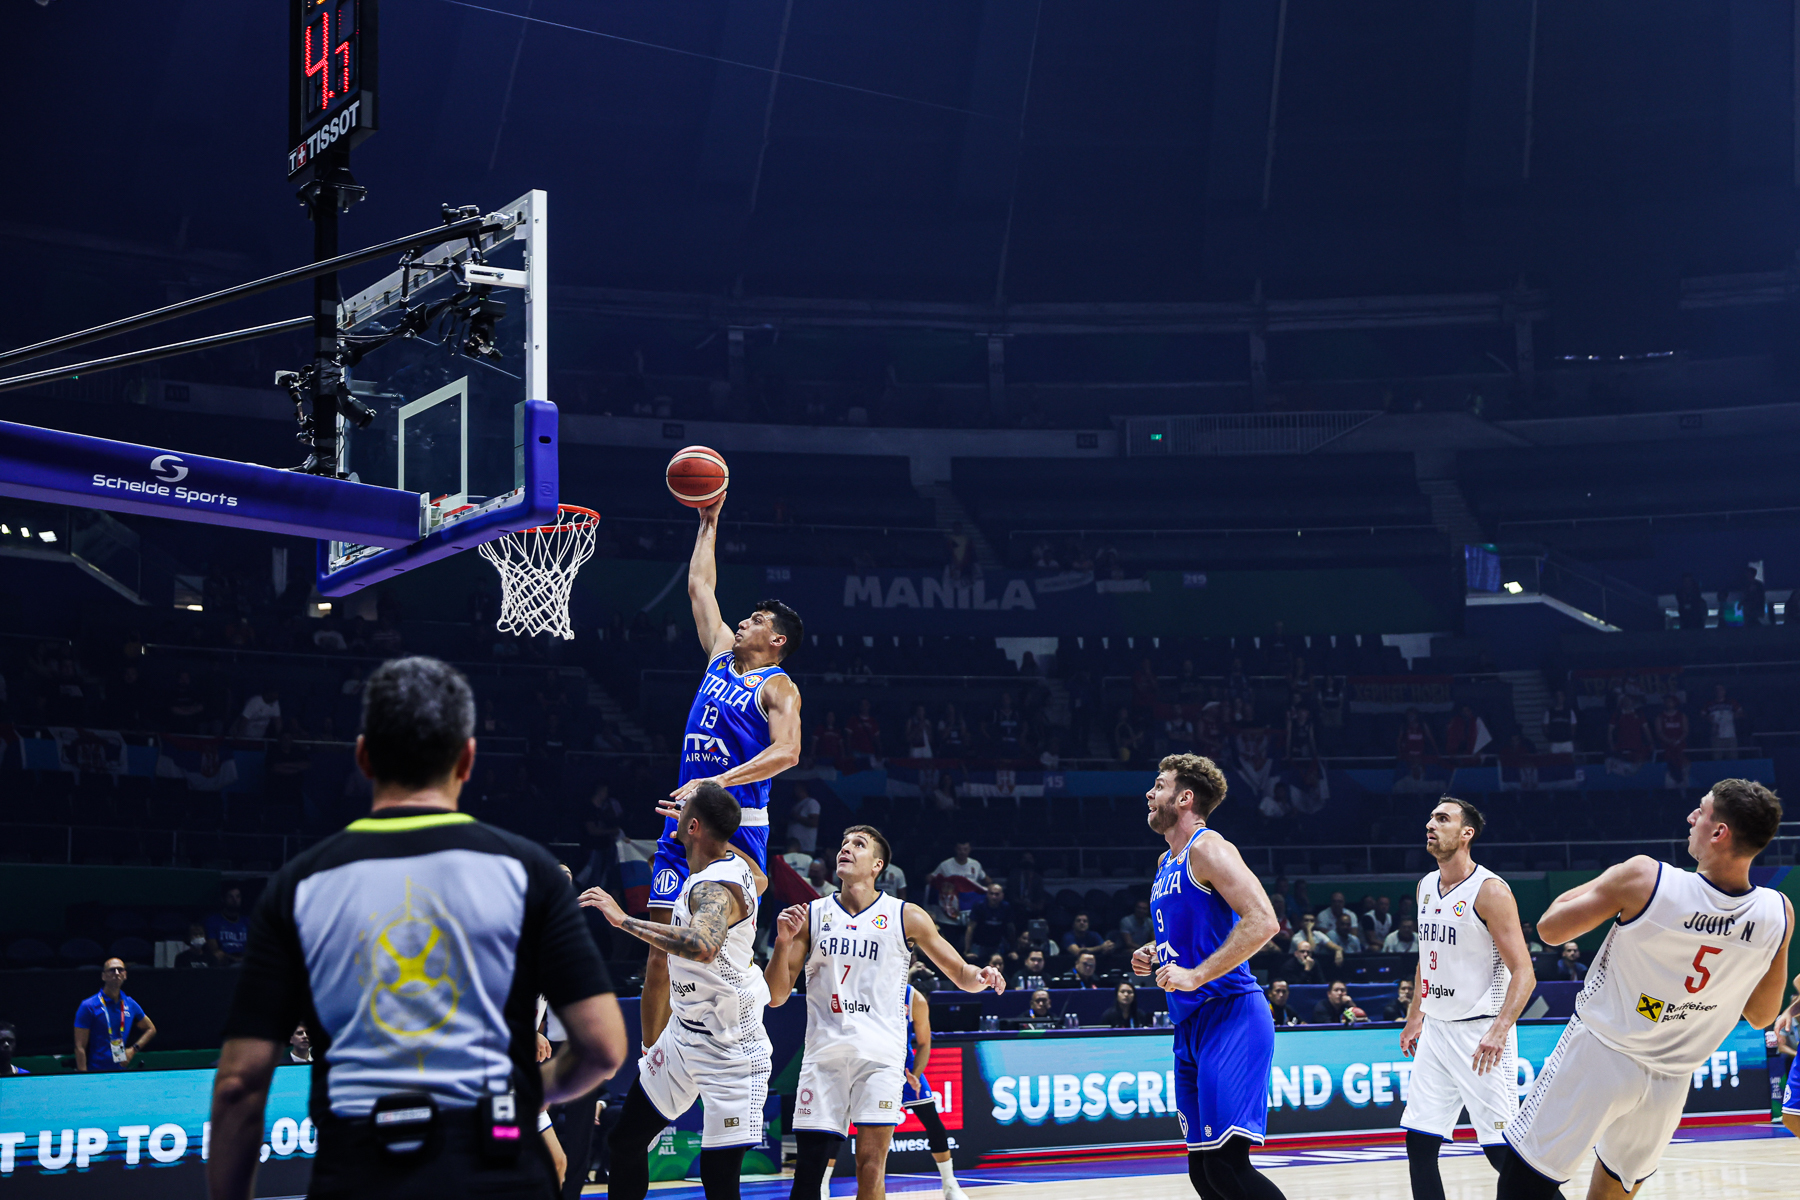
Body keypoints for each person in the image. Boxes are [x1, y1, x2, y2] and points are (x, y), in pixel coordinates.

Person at [207, 657, 628, 1200]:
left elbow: (239, 1086)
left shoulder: (301, 884)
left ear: (363, 757)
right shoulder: (533, 876)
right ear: (467, 759)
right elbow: (603, 1049)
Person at [1496, 781, 1793, 1200]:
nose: (1692, 817)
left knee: (1522, 1181)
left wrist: (1613, 883)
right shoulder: (1777, 912)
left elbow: (1550, 928)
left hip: (1600, 1053)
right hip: (1671, 1081)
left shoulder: (1646, 878)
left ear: (1719, 832)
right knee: (1613, 1192)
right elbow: (1762, 1015)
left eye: (1702, 810)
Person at [763, 824, 1003, 1200]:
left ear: (878, 865)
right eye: (843, 844)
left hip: (879, 1057)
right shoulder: (812, 914)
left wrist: (983, 976)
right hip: (824, 1055)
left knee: (871, 1167)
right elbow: (775, 996)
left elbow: (960, 974)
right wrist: (781, 943)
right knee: (808, 1172)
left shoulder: (906, 915)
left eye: (858, 844)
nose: (846, 849)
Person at [643, 494, 803, 1051]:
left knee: (715, 951)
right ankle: (650, 1065)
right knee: (660, 953)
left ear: (777, 641)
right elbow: (700, 589)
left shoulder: (777, 685)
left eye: (756, 620)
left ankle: (740, 1041)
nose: (743, 620)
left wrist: (714, 786)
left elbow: (788, 753)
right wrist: (708, 523)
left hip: (738, 828)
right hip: (683, 824)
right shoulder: (718, 656)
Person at [583, 783, 769, 1200]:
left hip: (731, 1049)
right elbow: (762, 877)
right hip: (684, 1036)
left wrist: (622, 920)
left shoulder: (714, 889)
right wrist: (703, 825)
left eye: (685, 812)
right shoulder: (740, 868)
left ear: (694, 826)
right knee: (624, 1141)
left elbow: (703, 946)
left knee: (718, 1183)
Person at [1132, 754, 1286, 1200]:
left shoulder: (1207, 847)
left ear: (1184, 797)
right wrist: (1154, 951)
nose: (1149, 793)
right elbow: (1195, 934)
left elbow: (1263, 921)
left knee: (1226, 1165)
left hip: (1230, 1014)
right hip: (1190, 1023)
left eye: (1158, 785)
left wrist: (1196, 975)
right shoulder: (1166, 864)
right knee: (1203, 1169)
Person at [1397, 797, 1536, 1200]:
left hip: (1481, 1036)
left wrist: (1499, 1030)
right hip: (1437, 1031)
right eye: (1430, 818)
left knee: (1501, 1153)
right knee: (1419, 1144)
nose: (1430, 824)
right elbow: (1428, 958)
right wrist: (1415, 1016)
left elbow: (1525, 973)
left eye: (1442, 819)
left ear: (1466, 834)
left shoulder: (1490, 890)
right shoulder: (1425, 885)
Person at [899, 983, 969, 1200]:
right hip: (870, 1062)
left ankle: (950, 1185)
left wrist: (915, 1075)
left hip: (905, 1063)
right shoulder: (864, 986)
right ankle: (823, 1187)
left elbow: (924, 1043)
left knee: (933, 1121)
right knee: (845, 1123)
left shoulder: (913, 998)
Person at [73, 957, 155, 1071]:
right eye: (112, 970)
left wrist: (133, 1049)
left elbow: (150, 1029)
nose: (116, 973)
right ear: (103, 976)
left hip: (120, 1072)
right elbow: (80, 1047)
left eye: (120, 970)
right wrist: (84, 1077)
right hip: (96, 1071)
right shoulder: (88, 1005)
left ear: (125, 975)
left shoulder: (130, 1003)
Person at [965, 883, 1016, 961]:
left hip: (997, 945)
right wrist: (967, 950)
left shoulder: (1006, 907)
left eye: (997, 894)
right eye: (991, 894)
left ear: (1002, 895)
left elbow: (1011, 928)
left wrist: (1013, 950)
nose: (994, 897)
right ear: (987, 894)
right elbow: (970, 928)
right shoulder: (979, 906)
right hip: (979, 944)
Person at [205, 885, 250, 965]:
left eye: (238, 896)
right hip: (226, 963)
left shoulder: (247, 921)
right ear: (223, 899)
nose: (235, 900)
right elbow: (214, 950)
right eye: (230, 897)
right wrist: (234, 959)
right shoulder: (213, 921)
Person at [1656, 693, 1690, 785]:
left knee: (1682, 763)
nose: (1669, 703)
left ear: (1675, 703)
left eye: (1671, 702)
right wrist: (1668, 741)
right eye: (1667, 702)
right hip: (1666, 746)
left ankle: (1684, 783)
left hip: (1680, 745)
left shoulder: (1681, 715)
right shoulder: (1660, 716)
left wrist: (1678, 741)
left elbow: (1685, 730)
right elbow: (1659, 731)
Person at [1705, 684, 1743, 759]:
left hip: (1730, 736)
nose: (1719, 692)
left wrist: (1735, 715)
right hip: (1716, 736)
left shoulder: (1731, 702)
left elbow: (1741, 713)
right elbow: (1702, 715)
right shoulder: (1709, 704)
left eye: (1721, 690)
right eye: (1717, 690)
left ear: (1724, 691)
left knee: (1733, 759)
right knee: (1717, 758)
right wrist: (1708, 718)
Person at [785, 783, 821, 856]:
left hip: (805, 847)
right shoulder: (797, 804)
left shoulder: (811, 802)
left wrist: (797, 817)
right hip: (793, 847)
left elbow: (814, 822)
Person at [1542, 690, 1577, 756]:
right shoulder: (1549, 712)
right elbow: (1545, 726)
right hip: (1555, 743)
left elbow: (1573, 725)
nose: (1559, 698)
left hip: (1567, 742)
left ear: (1564, 697)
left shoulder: (1569, 711)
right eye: (1557, 696)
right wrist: (1550, 737)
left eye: (1561, 695)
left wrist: (1569, 736)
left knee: (1569, 762)